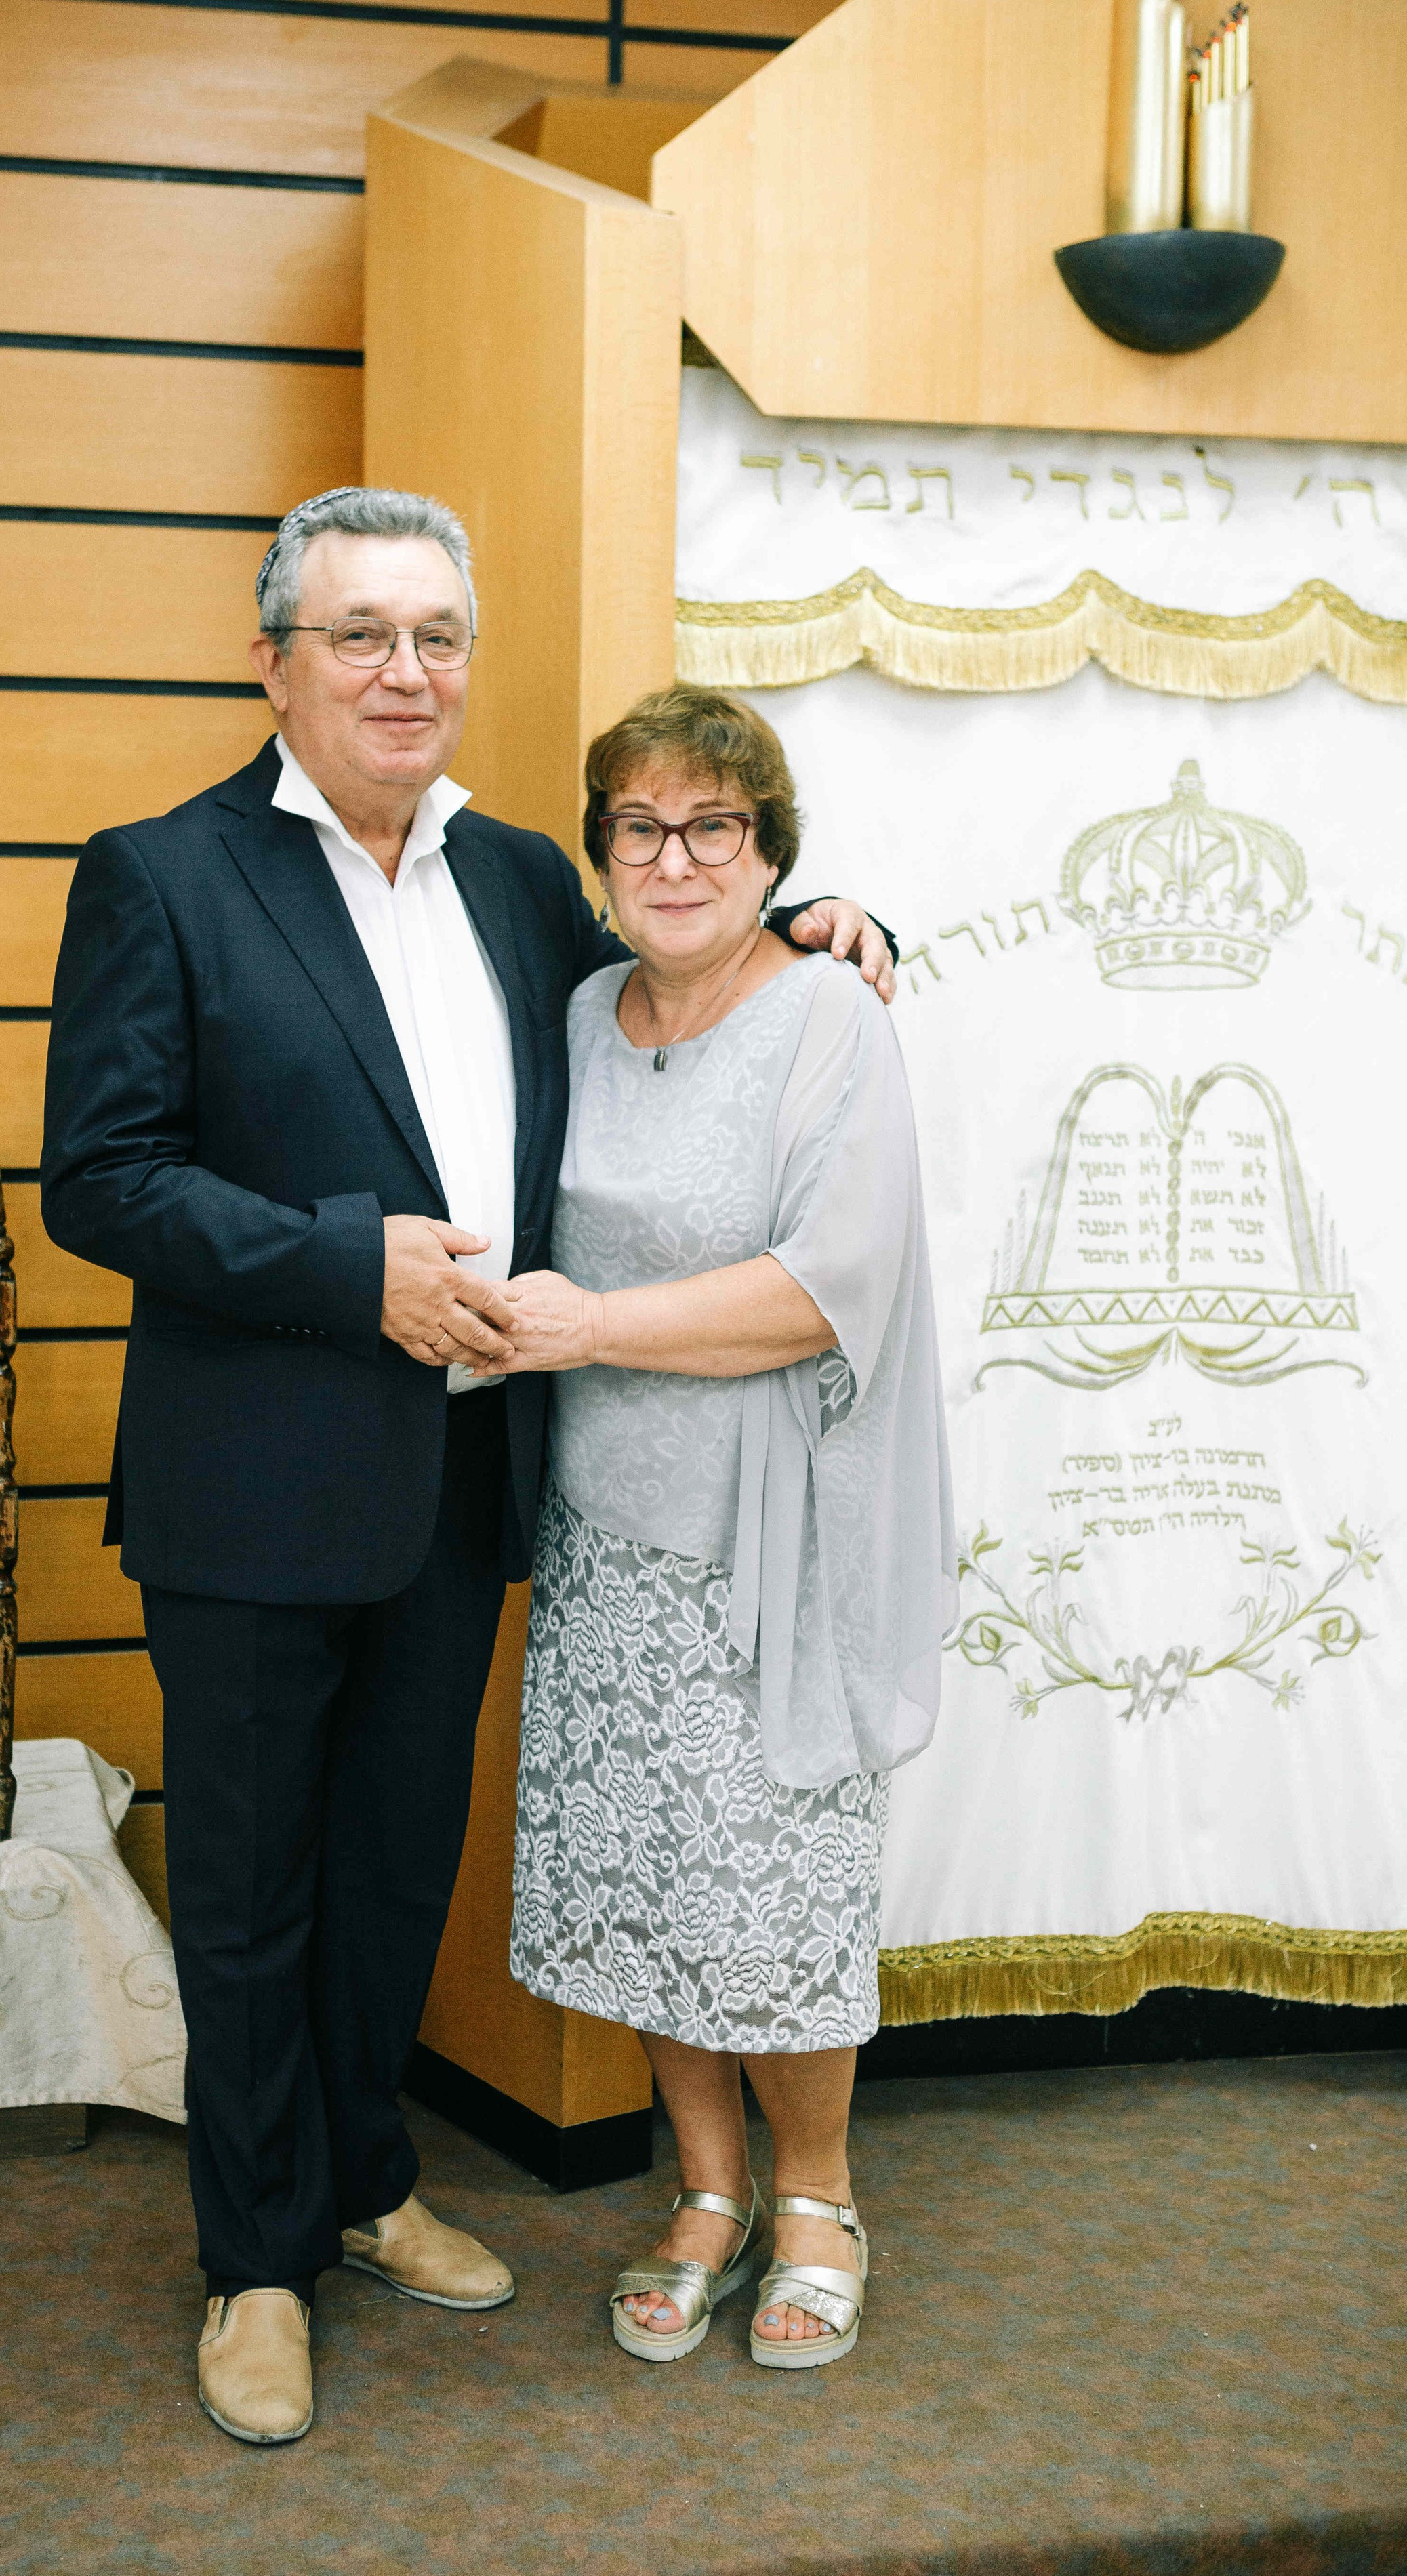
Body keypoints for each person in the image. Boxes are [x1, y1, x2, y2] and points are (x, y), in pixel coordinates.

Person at [39, 490, 897, 2445]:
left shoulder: (520, 877)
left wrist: (835, 924)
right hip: (250, 1490)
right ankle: (257, 2261)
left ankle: (363, 2184)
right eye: (359, 634)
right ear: (275, 664)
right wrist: (346, 1268)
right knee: (248, 1891)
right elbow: (101, 1177)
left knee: (391, 1875)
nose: (403, 671)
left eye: (435, 635)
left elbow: (684, 961)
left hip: (459, 1487)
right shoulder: (160, 875)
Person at [493, 684, 956, 2371]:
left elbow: (825, 1289)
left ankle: (816, 2194)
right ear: (600, 851)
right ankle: (705, 2188)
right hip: (605, 1534)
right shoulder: (573, 1014)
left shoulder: (830, 1016)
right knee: (651, 1883)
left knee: (776, 1892)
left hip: (775, 1543)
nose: (674, 858)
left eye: (714, 827)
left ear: (770, 854)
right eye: (640, 826)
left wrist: (591, 1327)